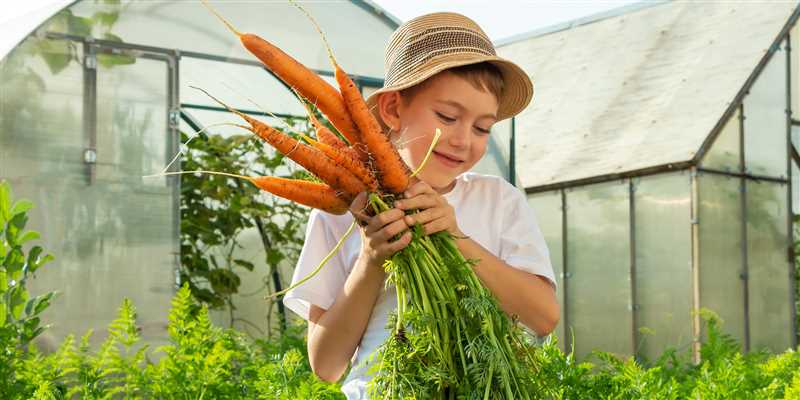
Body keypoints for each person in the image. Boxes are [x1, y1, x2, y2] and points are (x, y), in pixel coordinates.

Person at [283, 11, 559, 399]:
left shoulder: (497, 199)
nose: (465, 140)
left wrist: (456, 236)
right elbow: (326, 365)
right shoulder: (347, 211)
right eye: (448, 117)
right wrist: (371, 258)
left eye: (483, 128)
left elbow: (543, 317)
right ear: (393, 110)